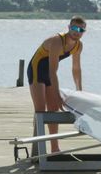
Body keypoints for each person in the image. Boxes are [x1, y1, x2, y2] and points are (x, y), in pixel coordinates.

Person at [27, 16, 85, 152]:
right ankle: (37, 148)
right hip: (37, 70)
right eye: (74, 28)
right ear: (69, 27)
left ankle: (55, 148)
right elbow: (53, 71)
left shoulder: (78, 46)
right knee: (40, 110)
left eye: (81, 30)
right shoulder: (57, 41)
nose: (77, 32)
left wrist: (80, 91)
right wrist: (57, 93)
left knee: (53, 109)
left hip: (50, 72)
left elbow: (76, 69)